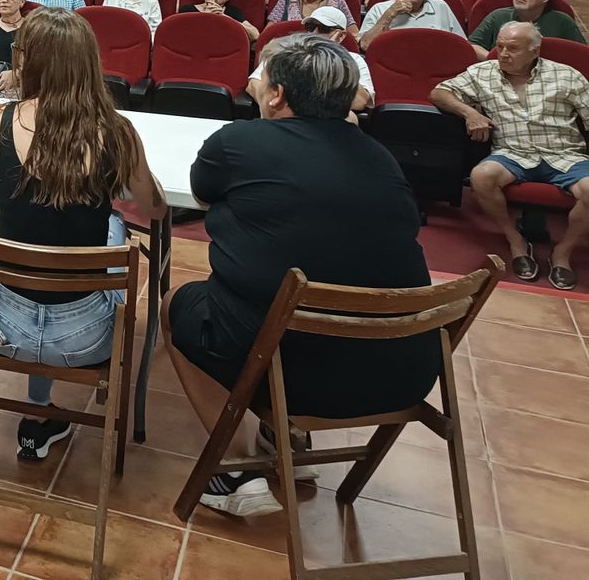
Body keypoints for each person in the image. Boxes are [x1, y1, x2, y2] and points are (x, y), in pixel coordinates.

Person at [167, 34, 438, 516]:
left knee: (178, 307)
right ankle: (286, 440)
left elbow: (202, 193)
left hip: (291, 368)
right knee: (302, 289)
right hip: (403, 368)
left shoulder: (239, 141)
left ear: (277, 95)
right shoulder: (379, 156)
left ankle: (235, 469)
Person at [0, 8, 166, 457]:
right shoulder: (116, 131)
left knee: (36, 244)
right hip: (85, 337)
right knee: (112, 226)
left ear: (27, 61)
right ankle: (47, 410)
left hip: (1, 325)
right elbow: (154, 208)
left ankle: (38, 411)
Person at [432, 21, 589, 288]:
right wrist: (471, 113)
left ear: (534, 50)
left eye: (513, 48)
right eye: (500, 46)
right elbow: (439, 92)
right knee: (481, 176)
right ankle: (515, 240)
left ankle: (563, 252)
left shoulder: (566, 75)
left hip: (564, 153)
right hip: (512, 153)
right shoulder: (483, 72)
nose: (503, 54)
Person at [248, 7, 371, 115]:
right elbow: (253, 85)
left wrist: (330, 58)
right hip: (283, 116)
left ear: (341, 35)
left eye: (324, 29)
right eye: (310, 27)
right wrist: (282, 107)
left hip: (327, 124)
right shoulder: (284, 52)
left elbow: (360, 101)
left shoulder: (353, 60)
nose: (314, 33)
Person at [468, 0, 585, 57]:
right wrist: (498, 60)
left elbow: (581, 54)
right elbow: (473, 45)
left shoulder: (562, 21)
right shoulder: (498, 16)